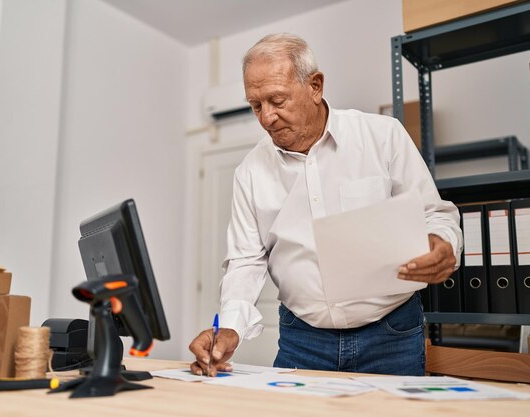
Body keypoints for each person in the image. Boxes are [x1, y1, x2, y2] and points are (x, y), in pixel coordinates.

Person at [189, 33, 462, 377]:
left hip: (390, 335)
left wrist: (443, 245)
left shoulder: (383, 136)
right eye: (256, 105)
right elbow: (246, 260)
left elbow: (435, 215)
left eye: (277, 100)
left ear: (315, 86)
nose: (267, 117)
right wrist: (230, 327)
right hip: (303, 340)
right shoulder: (250, 171)